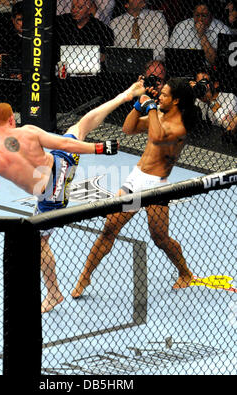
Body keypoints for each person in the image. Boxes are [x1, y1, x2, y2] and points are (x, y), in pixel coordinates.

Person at [0, 82, 145, 313]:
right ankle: (124, 95)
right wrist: (100, 148)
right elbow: (66, 144)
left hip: (51, 196)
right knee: (79, 128)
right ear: (11, 119)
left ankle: (53, 293)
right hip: (61, 164)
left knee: (40, 244)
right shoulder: (28, 131)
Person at [71, 77, 198, 299]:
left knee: (160, 238)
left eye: (165, 95)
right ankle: (85, 277)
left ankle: (185, 273)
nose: (160, 97)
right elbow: (128, 129)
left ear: (176, 101)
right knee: (109, 229)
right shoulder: (156, 114)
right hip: (137, 180)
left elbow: (158, 137)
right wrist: (139, 104)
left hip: (157, 187)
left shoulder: (179, 126)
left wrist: (150, 107)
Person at [168, 0, 232, 66]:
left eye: (204, 15)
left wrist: (202, 35)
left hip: (210, 70)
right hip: (183, 67)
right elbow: (170, 55)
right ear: (193, 13)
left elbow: (216, 62)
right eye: (197, 15)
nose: (200, 19)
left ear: (211, 15)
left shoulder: (223, 30)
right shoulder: (181, 26)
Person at [190, 67, 237, 135]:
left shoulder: (229, 97)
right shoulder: (197, 100)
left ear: (215, 84)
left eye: (204, 82)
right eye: (199, 83)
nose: (202, 86)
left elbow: (228, 125)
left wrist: (210, 100)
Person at [0, 1, 23, 80]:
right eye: (20, 20)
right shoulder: (4, 35)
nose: (24, 23)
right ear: (13, 20)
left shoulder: (39, 36)